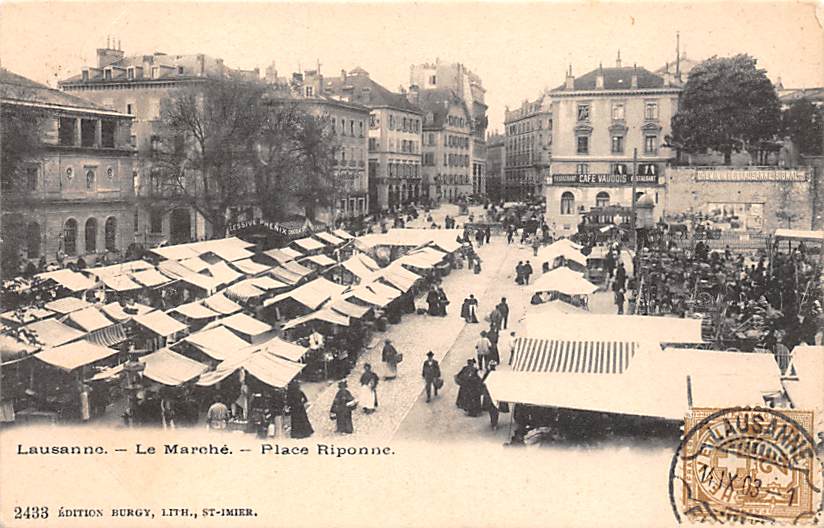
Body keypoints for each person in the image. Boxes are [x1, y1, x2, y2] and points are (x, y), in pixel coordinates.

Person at [481, 361, 500, 430]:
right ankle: (495, 423)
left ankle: (493, 422)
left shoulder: (487, 373)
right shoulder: (496, 374)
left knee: (491, 409)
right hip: (495, 394)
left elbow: (483, 382)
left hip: (489, 394)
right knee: (495, 409)